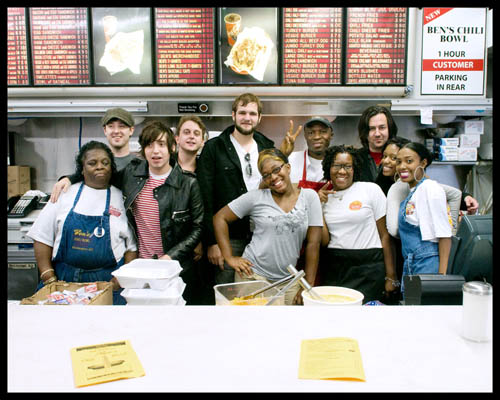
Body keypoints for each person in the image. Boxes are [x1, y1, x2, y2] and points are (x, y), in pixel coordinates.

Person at [49, 122, 204, 305]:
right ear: (143, 150)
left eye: (161, 145)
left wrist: (169, 257)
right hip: (139, 267)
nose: (155, 151)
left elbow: (198, 227)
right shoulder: (132, 174)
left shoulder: (188, 184)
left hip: (175, 267)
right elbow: (102, 174)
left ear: (172, 147)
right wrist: (71, 178)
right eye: (149, 145)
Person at [27, 141, 137, 305]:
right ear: (82, 169)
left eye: (105, 163)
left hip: (107, 283)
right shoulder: (64, 193)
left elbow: (132, 248)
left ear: (112, 168)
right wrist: (47, 275)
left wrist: (119, 280)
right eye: (92, 163)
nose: (99, 167)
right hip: (63, 280)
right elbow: (42, 237)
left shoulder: (123, 198)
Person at [213, 148, 323, 305]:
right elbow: (220, 218)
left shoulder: (309, 197)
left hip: (289, 280)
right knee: (254, 325)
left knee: (286, 327)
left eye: (277, 169)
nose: (273, 177)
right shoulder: (256, 198)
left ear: (288, 167)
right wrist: (229, 257)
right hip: (253, 276)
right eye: (266, 175)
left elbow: (314, 243)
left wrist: (309, 282)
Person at [197, 93, 275, 286]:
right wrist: (211, 242)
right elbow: (205, 197)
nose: (247, 118)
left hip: (262, 233)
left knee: (260, 287)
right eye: (242, 112)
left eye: (252, 113)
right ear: (233, 115)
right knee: (228, 289)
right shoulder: (214, 148)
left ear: (259, 118)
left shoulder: (267, 146)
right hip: (227, 237)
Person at [320, 145, 397, 303]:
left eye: (348, 166)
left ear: (355, 169)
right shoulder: (323, 199)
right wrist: (317, 206)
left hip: (369, 267)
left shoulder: (370, 190)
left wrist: (391, 276)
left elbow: (385, 236)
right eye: (337, 165)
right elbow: (324, 241)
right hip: (336, 267)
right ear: (329, 167)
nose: (342, 171)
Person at [395, 142, 452, 294]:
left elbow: (445, 234)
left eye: (409, 161)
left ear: (423, 162)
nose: (402, 167)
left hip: (427, 263)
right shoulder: (415, 190)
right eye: (398, 161)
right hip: (412, 262)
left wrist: (441, 277)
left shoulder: (431, 188)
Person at [279, 117, 334, 192]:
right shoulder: (290, 159)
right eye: (311, 133)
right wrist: (281, 155)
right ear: (305, 136)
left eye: (323, 132)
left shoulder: (339, 163)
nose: (316, 137)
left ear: (331, 135)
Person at [357, 105, 398, 183]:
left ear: (390, 128)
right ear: (364, 132)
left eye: (382, 127)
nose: (377, 134)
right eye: (372, 129)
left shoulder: (402, 156)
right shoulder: (355, 158)